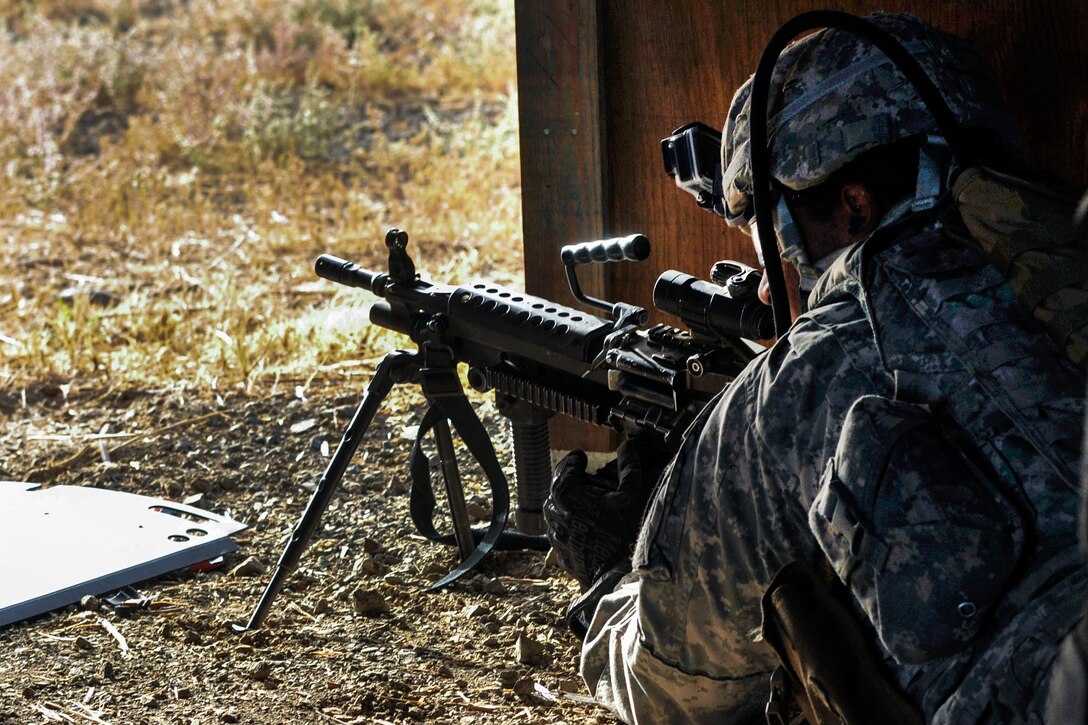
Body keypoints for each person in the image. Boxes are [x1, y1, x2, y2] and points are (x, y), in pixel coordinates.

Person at [543, 12, 1087, 724]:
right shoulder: (1063, 278)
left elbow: (673, 689)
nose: (770, 284)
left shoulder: (806, 376)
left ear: (856, 206)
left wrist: (621, 579)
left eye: (779, 237)